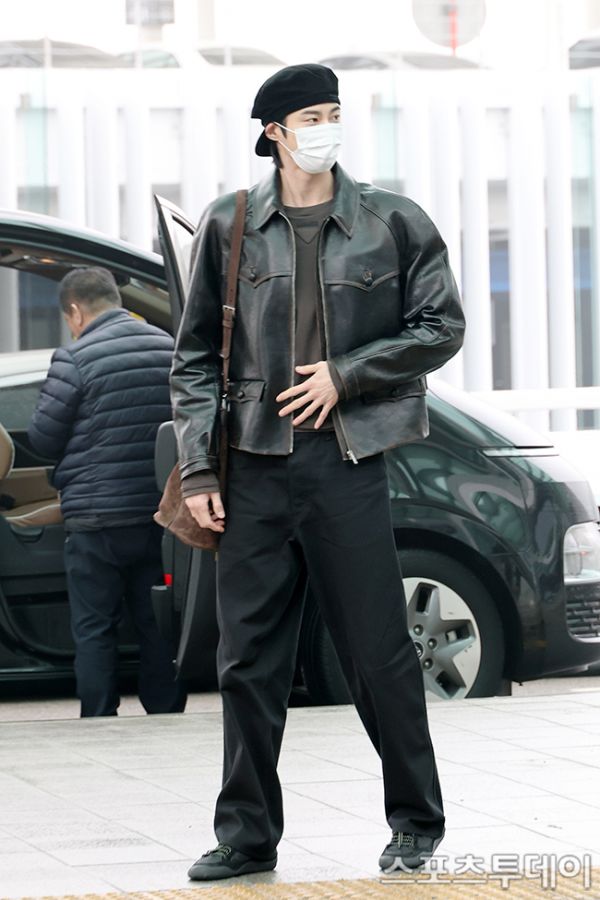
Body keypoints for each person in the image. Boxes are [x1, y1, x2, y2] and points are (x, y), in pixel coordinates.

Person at [172, 64, 465, 881]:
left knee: (379, 653)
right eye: (310, 116)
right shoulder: (229, 223)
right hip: (251, 468)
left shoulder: (392, 221)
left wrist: (347, 373)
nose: (326, 127)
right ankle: (246, 836)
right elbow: (192, 359)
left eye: (333, 112)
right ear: (273, 132)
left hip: (346, 463)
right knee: (246, 662)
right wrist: (198, 470)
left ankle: (416, 823)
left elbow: (441, 325)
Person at [28, 267, 186, 718]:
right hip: (158, 515)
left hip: (96, 523)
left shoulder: (74, 358)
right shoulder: (168, 347)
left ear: (75, 311)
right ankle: (165, 713)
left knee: (95, 628)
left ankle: (98, 718)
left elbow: (43, 438)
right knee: (157, 623)